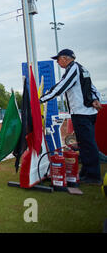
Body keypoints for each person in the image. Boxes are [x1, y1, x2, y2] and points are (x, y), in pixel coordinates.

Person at [39, 49, 103, 185]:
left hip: (81, 113)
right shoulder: (82, 68)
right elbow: (93, 88)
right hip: (88, 112)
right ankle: (87, 173)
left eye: (58, 59)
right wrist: (95, 99)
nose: (57, 62)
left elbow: (61, 87)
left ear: (65, 58)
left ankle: (93, 176)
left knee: (87, 145)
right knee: (86, 144)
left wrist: (41, 99)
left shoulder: (73, 69)